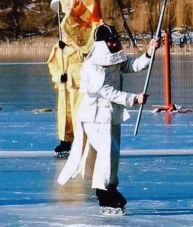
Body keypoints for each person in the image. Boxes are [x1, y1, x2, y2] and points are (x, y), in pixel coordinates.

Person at [58, 23, 154, 213]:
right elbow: (106, 91)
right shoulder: (92, 66)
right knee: (106, 155)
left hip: (110, 116)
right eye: (111, 41)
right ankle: (105, 194)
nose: (114, 43)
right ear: (103, 43)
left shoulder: (113, 58)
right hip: (95, 118)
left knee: (112, 154)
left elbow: (130, 66)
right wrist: (133, 99)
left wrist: (149, 53)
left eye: (115, 40)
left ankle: (109, 188)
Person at [47, 36, 84, 156]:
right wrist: (59, 76)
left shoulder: (82, 45)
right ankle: (65, 140)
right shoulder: (57, 47)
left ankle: (81, 140)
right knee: (65, 115)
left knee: (77, 113)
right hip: (64, 87)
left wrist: (67, 49)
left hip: (77, 86)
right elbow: (53, 65)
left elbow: (83, 60)